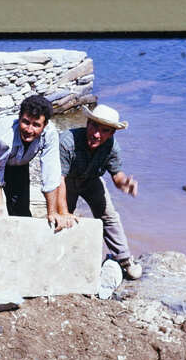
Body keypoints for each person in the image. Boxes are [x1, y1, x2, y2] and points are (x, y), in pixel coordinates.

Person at [56, 103, 142, 279]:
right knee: (63, 216)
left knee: (109, 216)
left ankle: (124, 259)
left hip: (92, 180)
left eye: (104, 131)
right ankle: (58, 255)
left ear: (112, 133)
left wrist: (125, 183)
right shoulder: (67, 141)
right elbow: (59, 180)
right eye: (94, 126)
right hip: (67, 180)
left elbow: (116, 176)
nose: (96, 134)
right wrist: (63, 211)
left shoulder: (112, 146)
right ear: (87, 122)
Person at [0, 94, 76, 230]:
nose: (29, 130)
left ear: (45, 125)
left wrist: (52, 212)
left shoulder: (50, 133)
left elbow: (51, 173)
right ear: (19, 118)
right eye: (26, 122)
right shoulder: (3, 136)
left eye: (36, 125)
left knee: (21, 210)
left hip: (20, 163)